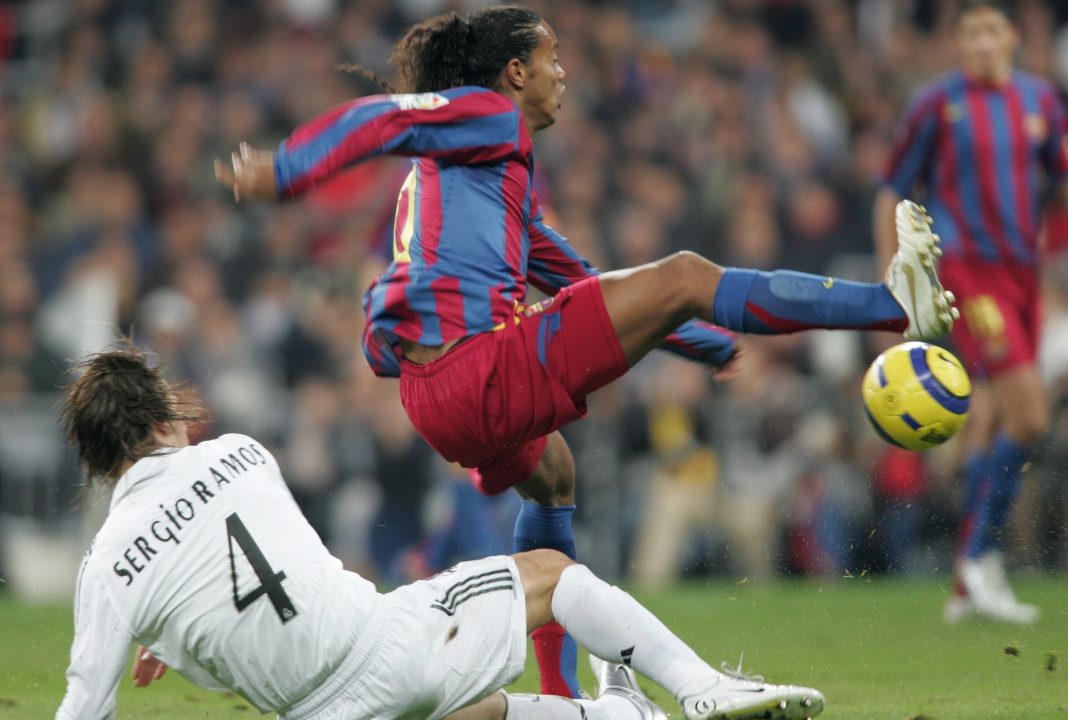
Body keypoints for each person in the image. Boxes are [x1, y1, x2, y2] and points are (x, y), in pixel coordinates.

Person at [215, 4, 955, 695]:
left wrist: (698, 340)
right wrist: (286, 170)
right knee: (687, 273)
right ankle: (893, 303)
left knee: (554, 477)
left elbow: (580, 279)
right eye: (552, 57)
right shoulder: (488, 115)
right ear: (515, 73)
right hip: (479, 369)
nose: (563, 72)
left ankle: (561, 696)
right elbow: (383, 118)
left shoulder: (476, 175)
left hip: (431, 396)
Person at [55, 346, 826, 720]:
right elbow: (256, 560)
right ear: (166, 418)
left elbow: (85, 707)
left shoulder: (108, 565)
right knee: (551, 573)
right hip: (378, 644)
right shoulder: (240, 454)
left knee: (475, 713)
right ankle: (700, 690)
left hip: (316, 715)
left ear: (97, 462)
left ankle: (617, 717)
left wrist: (170, 641)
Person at [875, 0, 1067, 624]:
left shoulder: (1040, 101)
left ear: (1012, 36)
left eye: (992, 30)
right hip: (969, 272)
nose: (983, 42)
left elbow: (1060, 178)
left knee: (987, 419)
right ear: (959, 42)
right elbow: (891, 188)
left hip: (1025, 275)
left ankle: (966, 583)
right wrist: (891, 277)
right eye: (971, 32)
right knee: (1032, 415)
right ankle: (981, 555)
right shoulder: (937, 103)